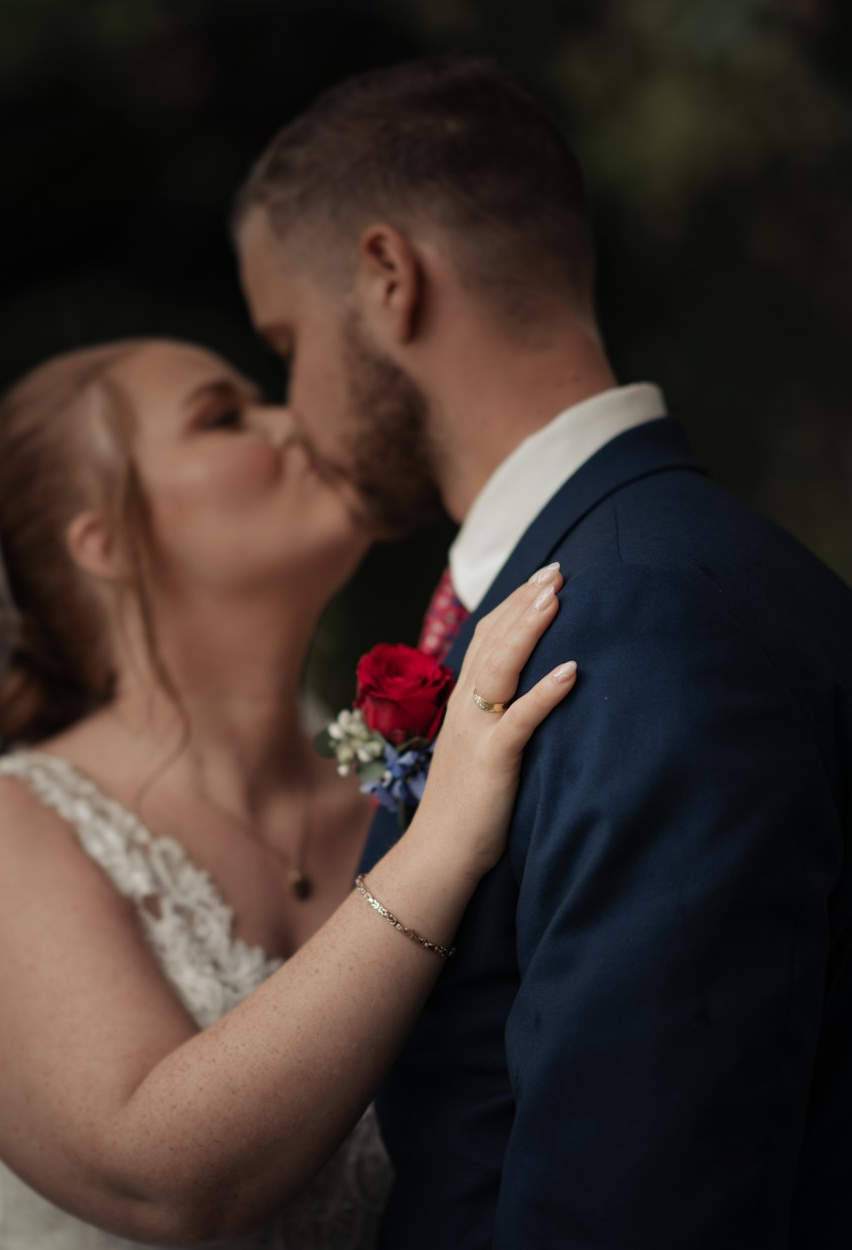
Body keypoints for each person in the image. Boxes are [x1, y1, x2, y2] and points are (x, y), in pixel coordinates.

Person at [234, 56, 852, 1249]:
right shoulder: (605, 580)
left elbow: (642, 1201)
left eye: (285, 338)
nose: (294, 409)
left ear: (385, 278)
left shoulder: (653, 619)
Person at [0, 337, 576, 1249]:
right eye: (223, 417)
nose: (291, 422)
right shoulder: (4, 824)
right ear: (104, 544)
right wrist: (442, 847)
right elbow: (163, 1184)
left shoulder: (409, 788)